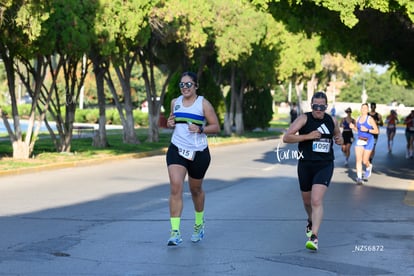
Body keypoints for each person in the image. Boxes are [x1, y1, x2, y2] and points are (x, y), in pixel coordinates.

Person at [283, 91, 343, 251]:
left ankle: (314, 237)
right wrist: (307, 136)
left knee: (316, 200)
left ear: (326, 106)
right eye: (316, 106)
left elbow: (338, 136)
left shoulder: (331, 120)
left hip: (324, 165)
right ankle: (310, 220)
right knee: (307, 201)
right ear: (311, 106)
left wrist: (340, 140)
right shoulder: (304, 118)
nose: (318, 109)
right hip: (305, 164)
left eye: (322, 106)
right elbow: (287, 137)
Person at [165, 71, 220, 246]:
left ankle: (198, 223)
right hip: (177, 149)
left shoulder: (203, 104)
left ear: (196, 86)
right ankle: (175, 232)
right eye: (182, 85)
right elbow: (173, 121)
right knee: (176, 186)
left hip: (198, 152)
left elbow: (216, 126)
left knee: (195, 190)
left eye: (189, 84)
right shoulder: (175, 102)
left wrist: (201, 129)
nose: (185, 88)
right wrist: (170, 122)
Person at [349, 103, 379, 185]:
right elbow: (357, 130)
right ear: (361, 109)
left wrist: (367, 130)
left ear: (368, 110)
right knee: (358, 160)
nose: (364, 110)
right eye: (362, 108)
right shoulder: (358, 119)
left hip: (369, 141)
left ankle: (369, 167)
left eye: (365, 108)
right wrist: (353, 127)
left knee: (365, 160)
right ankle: (359, 178)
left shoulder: (370, 119)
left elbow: (376, 131)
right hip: (360, 140)